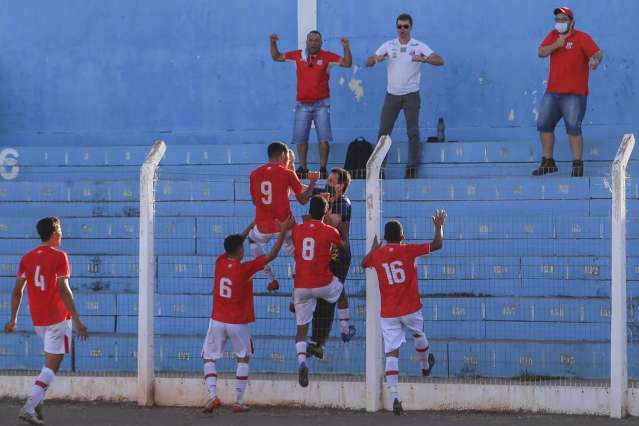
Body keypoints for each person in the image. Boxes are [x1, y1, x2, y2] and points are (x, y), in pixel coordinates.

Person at [202, 217, 294, 413]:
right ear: (240, 251)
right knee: (243, 359)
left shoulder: (219, 262)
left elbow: (234, 245)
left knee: (209, 358)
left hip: (217, 319)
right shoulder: (245, 269)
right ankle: (238, 401)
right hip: (238, 321)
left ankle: (212, 396)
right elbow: (272, 255)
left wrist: (249, 228)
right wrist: (283, 231)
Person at [4, 217, 89, 425]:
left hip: (38, 320)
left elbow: (17, 291)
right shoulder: (60, 256)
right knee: (52, 367)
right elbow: (64, 289)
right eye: (59, 230)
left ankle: (38, 399)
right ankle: (29, 406)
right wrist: (77, 320)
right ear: (53, 234)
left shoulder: (27, 257)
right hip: (57, 319)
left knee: (49, 364)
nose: (61, 234)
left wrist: (13, 319)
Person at [362, 211, 446, 415]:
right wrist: (438, 226)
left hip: (389, 312)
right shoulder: (408, 250)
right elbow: (437, 244)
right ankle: (425, 365)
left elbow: (364, 263)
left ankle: (395, 397)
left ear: (385, 237)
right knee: (419, 334)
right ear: (402, 236)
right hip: (410, 307)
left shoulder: (378, 255)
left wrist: (374, 248)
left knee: (392, 354)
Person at [366, 13, 444, 179]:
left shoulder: (418, 45)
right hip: (392, 95)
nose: (402, 29)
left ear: (410, 27)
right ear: (396, 27)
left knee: (413, 131)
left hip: (411, 95)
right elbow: (369, 61)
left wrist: (423, 59)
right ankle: (379, 169)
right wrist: (375, 59)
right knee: (383, 132)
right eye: (399, 26)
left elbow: (439, 60)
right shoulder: (389, 45)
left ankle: (412, 167)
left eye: (405, 26)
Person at [270, 31, 352, 179]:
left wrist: (346, 47)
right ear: (306, 42)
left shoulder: (327, 57)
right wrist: (273, 42)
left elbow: (347, 63)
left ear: (321, 43)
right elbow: (276, 57)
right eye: (310, 40)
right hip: (302, 104)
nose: (313, 43)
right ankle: (303, 168)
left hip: (321, 104)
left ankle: (322, 168)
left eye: (316, 40)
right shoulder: (297, 55)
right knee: (301, 139)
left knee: (324, 139)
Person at [532, 6, 602, 177]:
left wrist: (594, 61)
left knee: (573, 128)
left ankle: (577, 165)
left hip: (574, 94)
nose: (560, 23)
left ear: (571, 22)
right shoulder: (553, 36)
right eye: (558, 20)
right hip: (553, 92)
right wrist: (556, 44)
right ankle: (548, 162)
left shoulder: (582, 37)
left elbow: (597, 53)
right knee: (544, 125)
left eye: (563, 20)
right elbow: (541, 52)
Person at [248, 141, 318, 290]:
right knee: (298, 254)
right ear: (281, 156)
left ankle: (271, 279)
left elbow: (255, 201)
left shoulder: (254, 174)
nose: (287, 162)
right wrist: (312, 183)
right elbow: (303, 200)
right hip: (285, 224)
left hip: (263, 225)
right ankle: (295, 295)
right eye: (287, 158)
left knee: (252, 240)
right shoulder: (287, 173)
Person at [291, 196, 345, 387]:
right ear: (325, 212)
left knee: (300, 331)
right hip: (323, 284)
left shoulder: (297, 230)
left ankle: (302, 362)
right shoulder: (330, 231)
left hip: (301, 287)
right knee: (340, 289)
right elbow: (342, 247)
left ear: (308, 212)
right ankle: (345, 327)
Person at [307, 167, 355, 360]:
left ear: (342, 185)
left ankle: (322, 340)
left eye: (333, 181)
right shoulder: (322, 192)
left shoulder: (344, 203)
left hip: (339, 253)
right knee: (332, 291)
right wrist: (310, 184)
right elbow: (303, 195)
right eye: (328, 179)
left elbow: (331, 223)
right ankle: (338, 331)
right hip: (324, 251)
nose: (328, 183)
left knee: (331, 294)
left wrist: (323, 205)